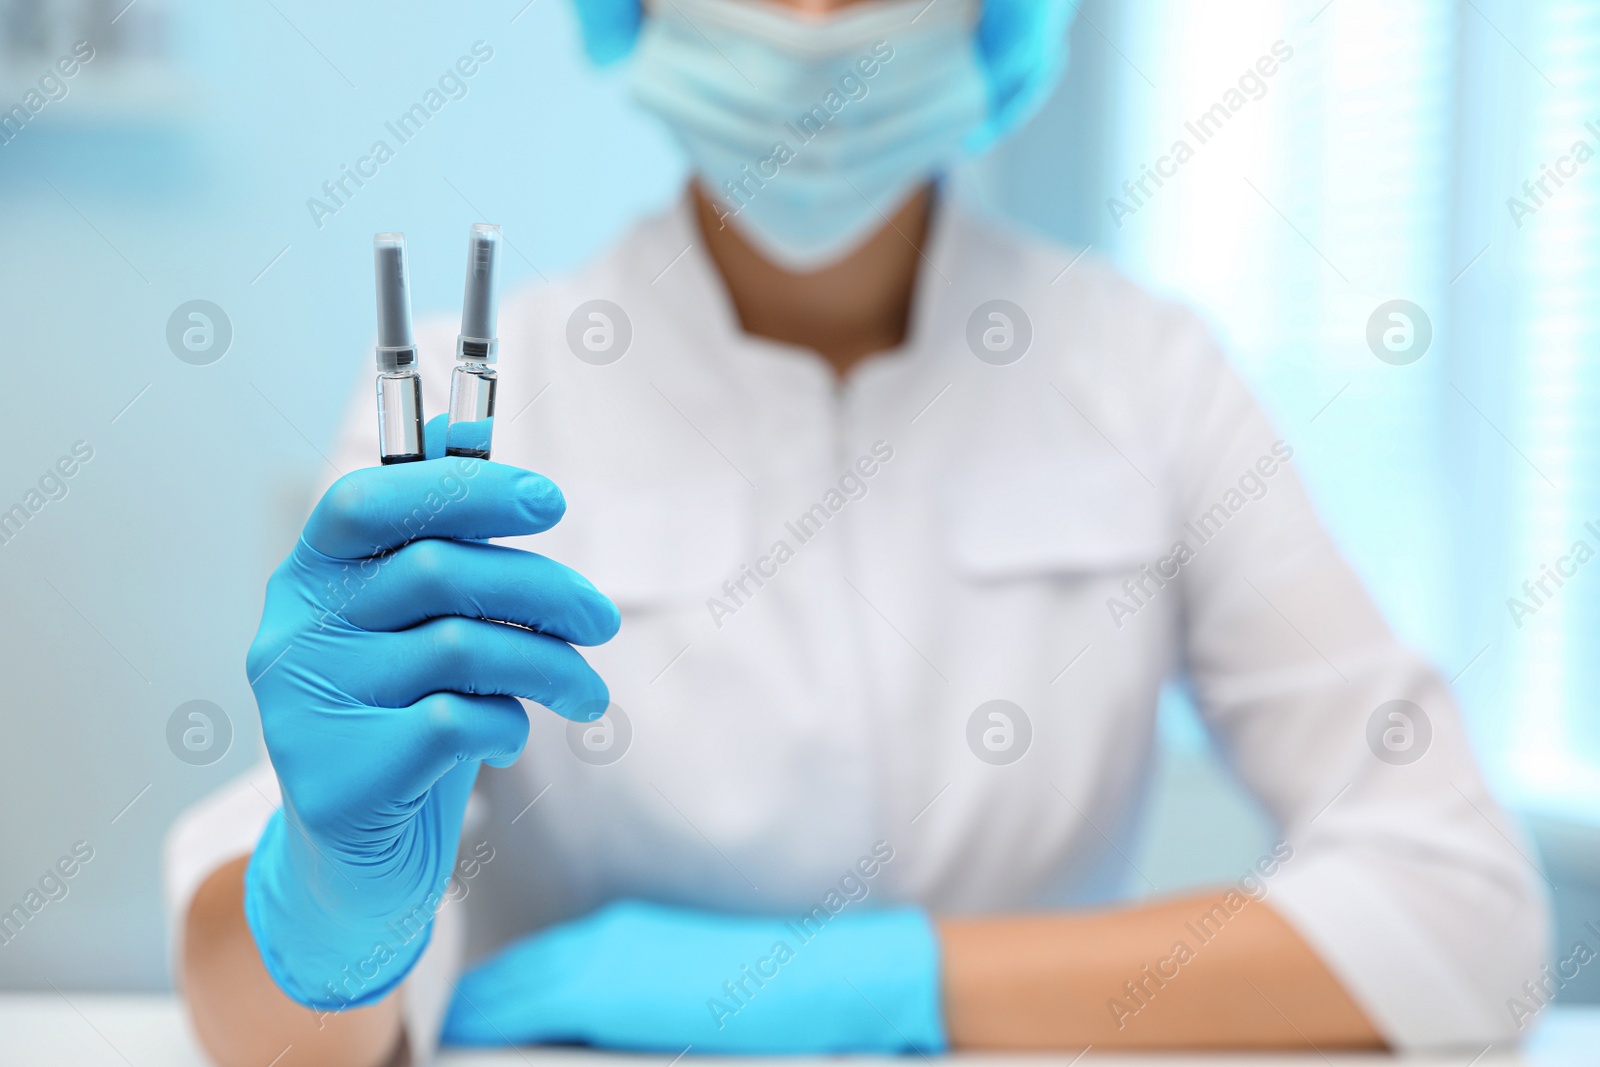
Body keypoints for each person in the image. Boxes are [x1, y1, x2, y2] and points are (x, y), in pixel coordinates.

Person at [164, 0, 1548, 1064]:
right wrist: (330, 908)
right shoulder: (481, 392)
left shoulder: (1147, 373)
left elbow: (1464, 916)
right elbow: (276, 1034)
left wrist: (904, 981)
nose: (816, 24)